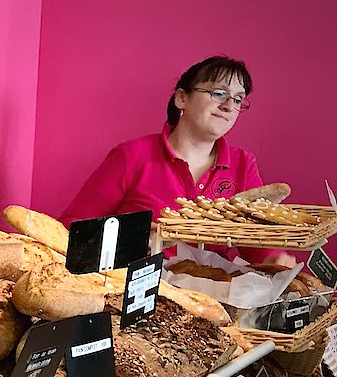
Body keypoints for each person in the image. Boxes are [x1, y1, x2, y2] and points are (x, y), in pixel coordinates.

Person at [61, 55, 293, 266]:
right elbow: (67, 228)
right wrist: (131, 240)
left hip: (211, 299)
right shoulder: (132, 156)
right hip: (136, 292)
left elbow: (256, 243)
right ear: (181, 98)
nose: (229, 106)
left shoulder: (243, 165)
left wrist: (275, 260)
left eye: (238, 99)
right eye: (219, 93)